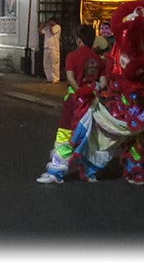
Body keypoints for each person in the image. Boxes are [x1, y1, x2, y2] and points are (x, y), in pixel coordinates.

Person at [36, 24, 105, 184]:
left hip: (74, 103)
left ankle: (56, 172)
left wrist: (80, 92)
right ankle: (89, 172)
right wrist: (93, 90)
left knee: (65, 135)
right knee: (88, 137)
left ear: (79, 40)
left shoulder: (72, 56)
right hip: (91, 104)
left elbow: (71, 78)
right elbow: (103, 81)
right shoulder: (98, 59)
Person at [39, 17, 61, 84]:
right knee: (46, 64)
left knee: (54, 64)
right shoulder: (47, 28)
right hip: (46, 47)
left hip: (54, 48)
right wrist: (41, 26)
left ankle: (55, 78)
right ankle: (49, 78)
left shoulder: (57, 27)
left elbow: (52, 32)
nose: (49, 23)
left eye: (51, 21)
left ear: (54, 22)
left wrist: (49, 26)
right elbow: (39, 32)